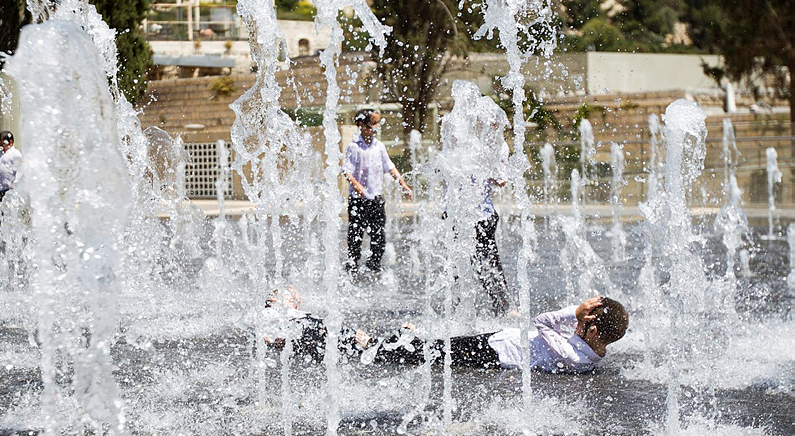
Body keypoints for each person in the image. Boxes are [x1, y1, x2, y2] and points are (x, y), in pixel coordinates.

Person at [264, 293, 628, 374]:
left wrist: (572, 312)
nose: (578, 320)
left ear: (592, 327)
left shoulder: (574, 354)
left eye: (585, 319)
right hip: (489, 346)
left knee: (382, 353)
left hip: (487, 354)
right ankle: (407, 339)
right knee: (408, 347)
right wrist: (583, 321)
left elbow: (543, 322)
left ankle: (297, 326)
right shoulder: (588, 351)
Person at [342, 109, 412, 278]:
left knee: (378, 235)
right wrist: (359, 188)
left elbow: (390, 167)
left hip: (376, 199)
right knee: (355, 235)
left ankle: (374, 265)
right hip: (358, 201)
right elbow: (347, 172)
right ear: (361, 125)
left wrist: (403, 185)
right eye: (372, 126)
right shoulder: (353, 147)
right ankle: (353, 265)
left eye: (377, 126)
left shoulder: (379, 146)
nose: (375, 129)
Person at [473, 139, 513, 316]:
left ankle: (503, 304)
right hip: (458, 216)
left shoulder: (500, 146)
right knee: (460, 265)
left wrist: (481, 167)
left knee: (487, 261)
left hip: (482, 216)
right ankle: (458, 309)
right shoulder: (463, 137)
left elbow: (502, 180)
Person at [0, 131, 22, 203]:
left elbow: (20, 170)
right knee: (1, 210)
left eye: (3, 143)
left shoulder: (15, 153)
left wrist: (15, 183)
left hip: (10, 189)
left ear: (10, 142)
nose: (1, 145)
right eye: (0, 143)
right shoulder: (1, 154)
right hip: (1, 188)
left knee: (8, 210)